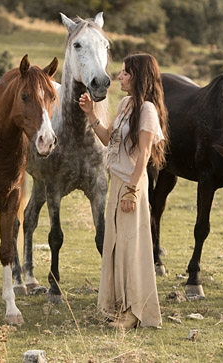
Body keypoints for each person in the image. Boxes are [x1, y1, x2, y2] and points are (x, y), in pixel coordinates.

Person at [79, 53, 168, 329]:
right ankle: (119, 306)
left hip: (132, 184)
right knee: (116, 245)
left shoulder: (148, 111)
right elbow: (108, 139)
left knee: (132, 247)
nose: (119, 76)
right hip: (117, 181)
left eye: (126, 73)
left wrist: (131, 191)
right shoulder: (126, 104)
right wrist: (92, 114)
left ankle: (134, 313)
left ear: (138, 77)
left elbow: (144, 154)